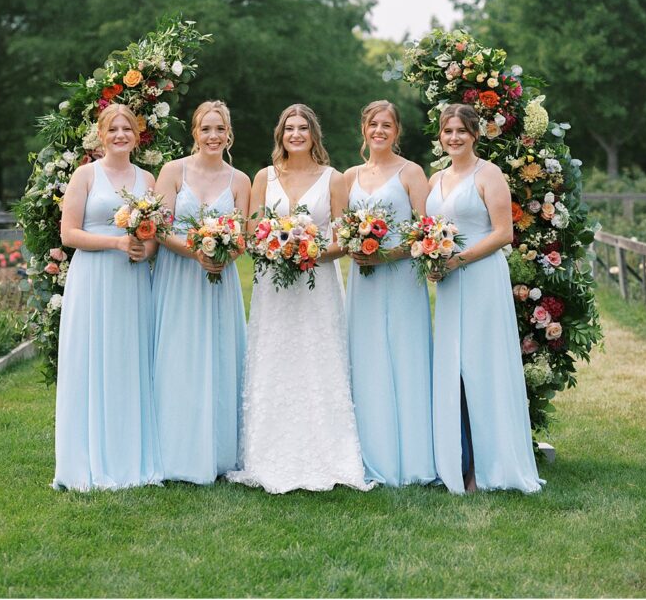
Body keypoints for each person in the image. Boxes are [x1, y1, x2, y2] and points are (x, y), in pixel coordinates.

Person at [227, 104, 371, 493]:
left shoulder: (334, 179)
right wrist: (276, 248)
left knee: (317, 357)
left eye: (302, 128)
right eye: (289, 128)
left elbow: (344, 239)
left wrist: (308, 253)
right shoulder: (264, 177)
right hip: (273, 286)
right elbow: (253, 229)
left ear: (313, 135)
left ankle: (326, 452)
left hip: (318, 284)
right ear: (280, 134)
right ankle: (266, 454)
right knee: (274, 358)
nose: (295, 134)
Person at [425, 103, 544, 494]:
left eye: (461, 130)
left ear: (475, 134)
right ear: (440, 137)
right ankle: (456, 462)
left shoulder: (488, 174)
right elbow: (428, 230)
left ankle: (487, 468)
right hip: (449, 284)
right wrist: (429, 256)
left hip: (480, 279)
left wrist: (457, 259)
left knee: (481, 368)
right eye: (448, 131)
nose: (454, 137)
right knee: (453, 371)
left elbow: (503, 233)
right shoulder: (435, 179)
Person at [52, 103, 162, 491]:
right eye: (112, 129)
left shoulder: (148, 180)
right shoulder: (85, 175)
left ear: (137, 135)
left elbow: (153, 242)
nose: (119, 135)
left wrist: (141, 250)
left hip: (131, 283)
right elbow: (68, 235)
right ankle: (85, 459)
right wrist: (116, 244)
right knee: (89, 360)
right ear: (101, 135)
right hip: (92, 278)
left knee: (127, 360)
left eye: (126, 129)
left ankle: (129, 455)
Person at [151, 101, 251, 484]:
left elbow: (242, 235)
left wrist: (224, 253)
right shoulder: (173, 171)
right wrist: (196, 251)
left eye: (220, 129)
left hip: (219, 279)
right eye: (206, 128)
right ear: (194, 132)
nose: (213, 136)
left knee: (219, 356)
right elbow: (159, 228)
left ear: (229, 134)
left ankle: (220, 452)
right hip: (179, 277)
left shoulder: (239, 180)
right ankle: (176, 452)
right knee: (179, 357)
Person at [343, 100, 437, 487]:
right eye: (372, 124)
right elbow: (340, 227)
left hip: (400, 278)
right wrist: (356, 248)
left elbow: (425, 230)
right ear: (363, 130)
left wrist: (385, 254)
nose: (379, 131)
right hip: (363, 282)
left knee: (405, 356)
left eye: (386, 125)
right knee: (366, 359)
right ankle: (368, 456)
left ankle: (414, 460)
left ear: (397, 131)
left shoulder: (412, 172)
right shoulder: (347, 175)